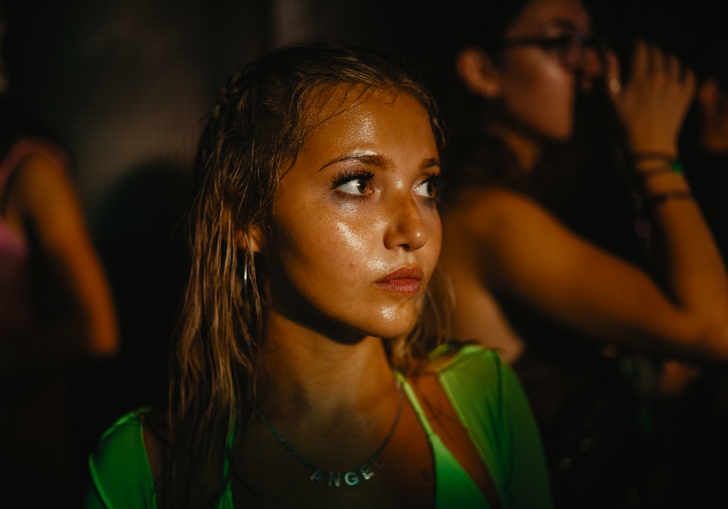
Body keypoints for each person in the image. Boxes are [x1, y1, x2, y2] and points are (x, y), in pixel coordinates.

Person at [84, 44, 552, 509]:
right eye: (358, 183)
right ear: (244, 213)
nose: (415, 230)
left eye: (427, 186)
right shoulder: (143, 466)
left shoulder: (483, 393)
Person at [413, 0, 728, 505]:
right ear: (482, 70)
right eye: (564, 42)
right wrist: (654, 152)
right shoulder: (495, 216)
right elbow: (714, 327)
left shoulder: (524, 199)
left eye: (592, 43)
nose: (594, 67)